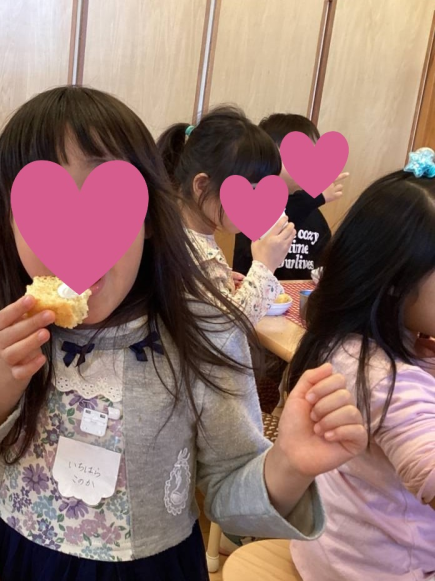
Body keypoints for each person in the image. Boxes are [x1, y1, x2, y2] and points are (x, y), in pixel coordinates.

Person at [0, 86, 367, 581]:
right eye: (43, 211)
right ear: (8, 229)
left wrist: (288, 466)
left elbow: (228, 493)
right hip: (13, 554)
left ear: (149, 219)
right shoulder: (9, 320)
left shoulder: (205, 330)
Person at [288, 152, 435, 581]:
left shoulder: (341, 342)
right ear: (396, 282)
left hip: (329, 553)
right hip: (388, 570)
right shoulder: (390, 380)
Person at [157, 107, 295, 325]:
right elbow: (228, 329)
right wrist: (265, 266)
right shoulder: (192, 255)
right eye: (250, 190)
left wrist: (220, 282)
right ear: (202, 185)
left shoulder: (182, 236)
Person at [233, 113, 349, 280]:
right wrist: (317, 198)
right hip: (256, 291)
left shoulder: (312, 210)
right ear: (267, 157)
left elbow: (324, 254)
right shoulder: (254, 203)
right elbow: (276, 218)